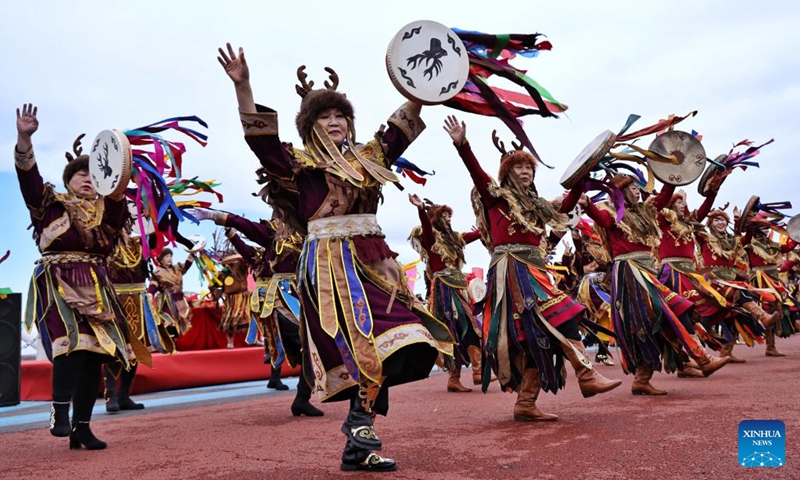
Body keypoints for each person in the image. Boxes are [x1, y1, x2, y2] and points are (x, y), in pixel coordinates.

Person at [218, 43, 454, 472]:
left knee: (407, 340)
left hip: (377, 262)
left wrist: (422, 84)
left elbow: (401, 124)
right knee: (364, 345)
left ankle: (358, 435)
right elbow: (262, 141)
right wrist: (244, 87)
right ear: (311, 127)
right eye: (324, 117)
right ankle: (361, 434)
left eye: (339, 116)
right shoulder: (298, 165)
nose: (334, 122)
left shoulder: (371, 159)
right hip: (330, 267)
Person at [444, 115, 622, 422]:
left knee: (535, 338)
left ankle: (526, 402)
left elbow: (563, 210)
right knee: (561, 312)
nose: (525, 171)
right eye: (518, 167)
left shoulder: (538, 205)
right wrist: (462, 144)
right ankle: (585, 373)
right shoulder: (494, 198)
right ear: (507, 173)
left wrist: (580, 184)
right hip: (512, 271)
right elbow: (478, 175)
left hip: (536, 270)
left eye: (529, 167)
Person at [15, 104, 148, 450]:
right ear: (67, 182)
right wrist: (24, 138)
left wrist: (118, 184)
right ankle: (59, 413)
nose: (88, 180)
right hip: (58, 282)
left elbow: (114, 226)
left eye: (94, 175)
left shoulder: (106, 213)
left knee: (96, 355)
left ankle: (82, 428)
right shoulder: (48, 205)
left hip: (97, 286)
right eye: (80, 176)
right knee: (71, 345)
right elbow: (28, 178)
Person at [579, 174, 729, 396]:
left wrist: (673, 175)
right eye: (631, 188)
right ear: (619, 193)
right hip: (630, 274)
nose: (637, 190)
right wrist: (588, 204)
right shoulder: (612, 214)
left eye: (638, 187)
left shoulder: (647, 212)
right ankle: (702, 359)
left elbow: (663, 197)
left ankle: (642, 380)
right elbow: (600, 218)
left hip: (649, 272)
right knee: (670, 312)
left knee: (659, 322)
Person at [188, 207, 324, 416]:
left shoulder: (304, 234)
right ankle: (293, 390)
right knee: (303, 345)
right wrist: (218, 218)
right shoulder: (271, 236)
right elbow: (247, 233)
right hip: (279, 300)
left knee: (310, 347)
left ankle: (300, 394)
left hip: (300, 297)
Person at [408, 194, 493, 393]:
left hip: (459, 288)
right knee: (459, 328)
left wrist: (487, 214)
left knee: (463, 329)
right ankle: (473, 372)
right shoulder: (430, 238)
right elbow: (427, 228)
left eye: (449, 216)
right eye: (444, 216)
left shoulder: (455, 239)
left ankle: (463, 375)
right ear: (435, 219)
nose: (448, 219)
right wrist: (421, 209)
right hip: (444, 291)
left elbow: (479, 234)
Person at [104, 220, 176, 413]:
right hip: (115, 301)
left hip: (138, 301)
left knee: (135, 349)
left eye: (127, 227)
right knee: (115, 349)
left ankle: (124, 396)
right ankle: (110, 395)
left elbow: (153, 242)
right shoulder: (106, 244)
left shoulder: (139, 245)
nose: (125, 231)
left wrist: (150, 216)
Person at [740, 217, 799, 356]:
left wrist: (797, 234)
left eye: (767, 227)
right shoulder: (749, 244)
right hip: (759, 283)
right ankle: (768, 345)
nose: (765, 230)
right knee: (767, 311)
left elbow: (788, 247)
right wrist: (747, 224)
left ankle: (771, 346)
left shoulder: (773, 244)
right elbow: (744, 237)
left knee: (780, 309)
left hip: (775, 282)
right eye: (762, 227)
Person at [148, 248, 194, 337]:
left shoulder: (177, 268)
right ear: (161, 259)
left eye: (170, 256)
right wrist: (150, 294)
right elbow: (153, 285)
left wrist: (193, 253)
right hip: (167, 301)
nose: (170, 258)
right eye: (167, 256)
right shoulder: (157, 272)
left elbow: (187, 265)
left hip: (179, 300)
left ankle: (175, 344)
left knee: (181, 321)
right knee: (169, 321)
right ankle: (170, 346)